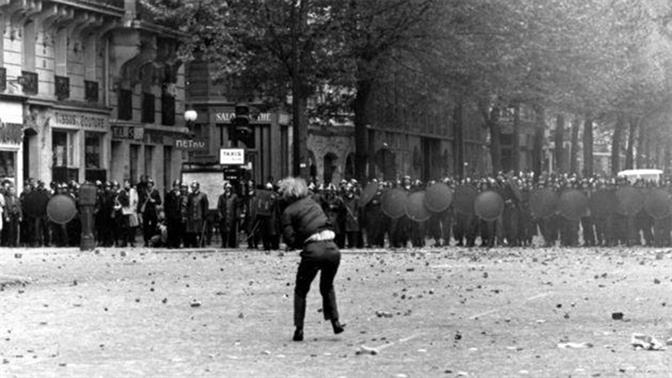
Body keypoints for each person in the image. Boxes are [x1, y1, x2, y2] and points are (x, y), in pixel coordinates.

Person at [279, 176, 344, 342]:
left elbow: (290, 239)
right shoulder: (314, 203)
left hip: (313, 251)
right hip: (332, 249)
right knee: (327, 286)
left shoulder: (288, 212)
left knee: (301, 289)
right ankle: (335, 321)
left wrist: (295, 243)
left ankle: (299, 329)